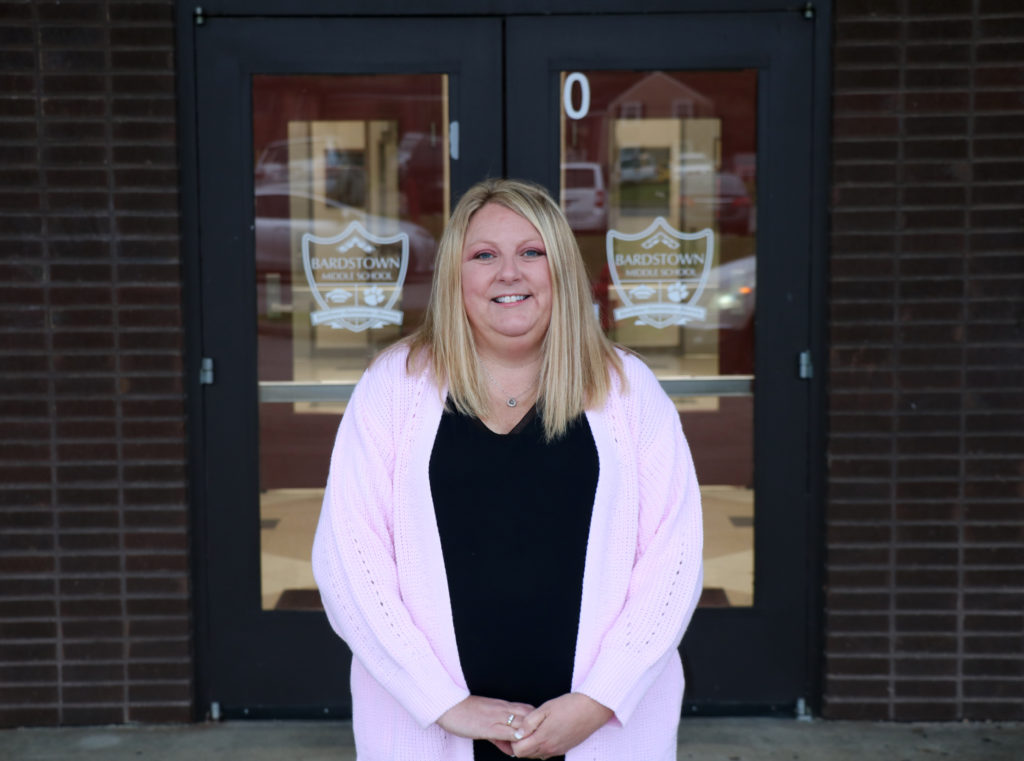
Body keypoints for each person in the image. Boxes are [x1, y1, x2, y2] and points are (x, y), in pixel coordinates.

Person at [312, 178, 703, 761]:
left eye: (531, 252)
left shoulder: (627, 389)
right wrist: (445, 703)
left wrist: (596, 702)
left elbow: (673, 561)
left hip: (597, 731)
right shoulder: (393, 388)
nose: (509, 274)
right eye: (484, 255)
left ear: (560, 270)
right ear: (455, 276)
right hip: (431, 731)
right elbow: (351, 561)